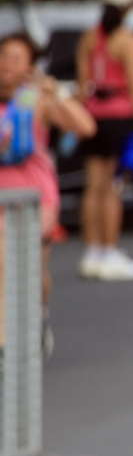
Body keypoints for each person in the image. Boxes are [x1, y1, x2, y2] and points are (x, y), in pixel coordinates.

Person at [0, 31, 96, 344]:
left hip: (37, 198)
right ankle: (6, 343)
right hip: (3, 195)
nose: (7, 65)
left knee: (33, 268)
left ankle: (37, 313)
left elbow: (85, 126)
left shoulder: (35, 99)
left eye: (16, 59)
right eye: (3, 56)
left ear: (30, 65)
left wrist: (57, 94)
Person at [75, 0, 133, 281]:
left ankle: (91, 250)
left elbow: (82, 85)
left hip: (92, 115)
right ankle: (109, 249)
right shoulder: (128, 40)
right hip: (119, 116)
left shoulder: (90, 38)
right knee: (113, 187)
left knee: (93, 186)